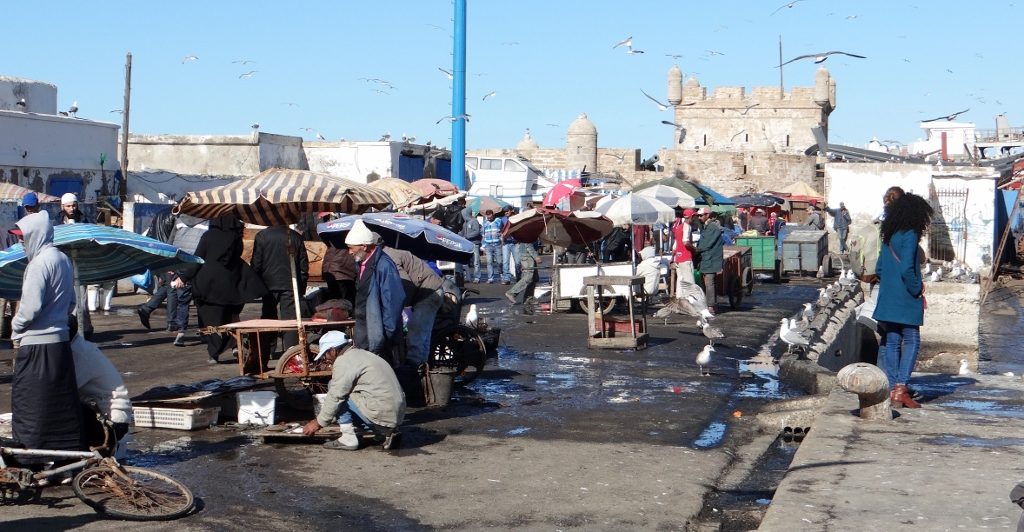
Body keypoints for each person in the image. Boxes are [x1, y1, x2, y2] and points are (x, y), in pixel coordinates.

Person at [10, 212, 82, 455]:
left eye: (23, 238)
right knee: (57, 405)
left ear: (36, 235)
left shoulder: (38, 264)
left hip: (36, 346)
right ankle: (62, 457)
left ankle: (32, 458)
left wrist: (15, 327)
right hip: (59, 344)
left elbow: (30, 309)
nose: (21, 243)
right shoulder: (63, 259)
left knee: (31, 405)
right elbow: (72, 301)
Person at [179, 215, 267, 363]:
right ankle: (233, 345)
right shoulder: (235, 237)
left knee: (211, 321)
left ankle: (214, 352)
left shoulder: (208, 236)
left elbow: (198, 259)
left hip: (209, 286)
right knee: (229, 318)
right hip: (233, 285)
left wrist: (183, 277)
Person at [873, 192, 933, 409]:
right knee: (912, 340)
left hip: (888, 296)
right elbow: (908, 267)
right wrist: (916, 288)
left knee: (892, 339)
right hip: (906, 297)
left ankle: (892, 389)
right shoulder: (910, 234)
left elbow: (879, 268)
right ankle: (901, 389)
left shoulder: (889, 233)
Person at [302, 330, 405, 451]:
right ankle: (385, 432)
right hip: (396, 416)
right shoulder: (363, 354)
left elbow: (336, 396)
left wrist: (318, 422)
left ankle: (348, 438)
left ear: (333, 350)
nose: (325, 358)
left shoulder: (344, 361)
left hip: (381, 413)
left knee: (334, 389)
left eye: (325, 354)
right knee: (347, 395)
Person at [68, 315, 132, 456]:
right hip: (105, 413)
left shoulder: (79, 353)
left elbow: (64, 390)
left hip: (112, 420)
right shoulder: (79, 346)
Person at [345, 220, 405, 361]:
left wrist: (387, 334)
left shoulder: (384, 265)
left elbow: (394, 302)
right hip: (364, 330)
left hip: (378, 333)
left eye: (351, 248)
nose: (349, 252)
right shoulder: (360, 264)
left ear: (364, 246)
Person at [251, 224, 309, 352]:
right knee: (290, 320)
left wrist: (257, 283)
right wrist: (301, 287)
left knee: (268, 318)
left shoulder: (262, 236)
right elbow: (303, 265)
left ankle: (267, 351)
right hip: (290, 284)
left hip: (268, 284)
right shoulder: (295, 236)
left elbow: (256, 263)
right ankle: (291, 352)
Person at [383, 247, 443, 367]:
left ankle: (413, 369)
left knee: (416, 334)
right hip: (429, 291)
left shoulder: (390, 257)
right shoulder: (388, 254)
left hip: (429, 293)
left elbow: (406, 285)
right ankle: (423, 368)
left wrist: (402, 307)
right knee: (423, 336)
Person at [166, 213, 208, 344]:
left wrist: (169, 263)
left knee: (182, 301)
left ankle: (181, 332)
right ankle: (204, 332)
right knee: (201, 301)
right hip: (199, 264)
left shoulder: (179, 220)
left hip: (181, 263)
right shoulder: (207, 222)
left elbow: (170, 242)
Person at [137, 210, 177, 330]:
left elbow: (149, 234)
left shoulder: (159, 214)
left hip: (157, 254)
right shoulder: (175, 216)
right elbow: (175, 237)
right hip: (168, 254)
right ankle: (172, 322)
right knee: (172, 288)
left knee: (167, 285)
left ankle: (146, 309)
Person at [695, 207, 724, 314]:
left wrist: (695, 249)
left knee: (709, 283)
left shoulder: (712, 227)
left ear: (707, 215)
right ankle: (710, 304)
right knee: (706, 283)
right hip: (706, 258)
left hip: (711, 258)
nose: (699, 217)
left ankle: (711, 306)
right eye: (698, 216)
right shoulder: (706, 226)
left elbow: (706, 244)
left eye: (701, 215)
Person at [505, 236, 541, 307]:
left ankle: (528, 298)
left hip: (528, 254)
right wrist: (535, 256)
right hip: (527, 255)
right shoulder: (529, 229)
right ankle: (512, 292)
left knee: (534, 278)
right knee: (528, 276)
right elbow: (528, 242)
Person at [671, 208, 697, 296]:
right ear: (692, 216)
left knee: (680, 282)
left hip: (678, 258)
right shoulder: (687, 226)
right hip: (686, 257)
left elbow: (675, 245)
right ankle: (690, 302)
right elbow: (685, 242)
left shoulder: (678, 227)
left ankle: (680, 302)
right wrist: (694, 249)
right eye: (695, 216)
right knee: (689, 282)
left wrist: (673, 258)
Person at [480, 210, 506, 283]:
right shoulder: (484, 223)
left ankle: (501, 275)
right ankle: (490, 278)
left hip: (497, 244)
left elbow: (503, 230)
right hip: (488, 245)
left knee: (499, 262)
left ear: (493, 215)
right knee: (489, 262)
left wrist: (502, 239)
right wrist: (483, 245)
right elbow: (483, 234)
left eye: (490, 217)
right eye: (488, 217)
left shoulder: (498, 221)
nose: (489, 218)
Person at [459, 203, 482, 283]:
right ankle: (468, 277)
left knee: (476, 261)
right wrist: (457, 235)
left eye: (464, 214)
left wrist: (467, 236)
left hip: (475, 244)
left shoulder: (474, 221)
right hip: (467, 244)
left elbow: (477, 232)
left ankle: (477, 277)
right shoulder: (465, 223)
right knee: (466, 261)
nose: (463, 216)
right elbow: (462, 232)